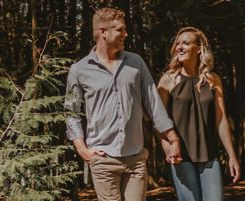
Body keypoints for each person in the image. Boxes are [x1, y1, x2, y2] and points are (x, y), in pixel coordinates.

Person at [64, 7, 183, 201]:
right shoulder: (79, 70)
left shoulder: (135, 62)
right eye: (120, 30)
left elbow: (153, 102)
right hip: (102, 159)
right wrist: (82, 149)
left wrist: (172, 136)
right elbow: (71, 113)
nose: (125, 34)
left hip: (136, 158)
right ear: (103, 32)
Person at [157, 27, 241, 201]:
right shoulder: (167, 80)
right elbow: (158, 119)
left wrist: (232, 156)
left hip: (209, 155)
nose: (179, 47)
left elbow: (221, 119)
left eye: (186, 43)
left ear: (199, 48)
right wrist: (167, 146)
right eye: (177, 43)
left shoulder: (213, 80)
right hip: (181, 156)